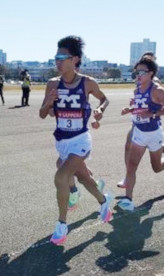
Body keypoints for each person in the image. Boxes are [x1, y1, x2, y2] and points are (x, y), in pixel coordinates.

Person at [39, 35, 112, 245]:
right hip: (62, 142)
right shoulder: (52, 84)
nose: (58, 62)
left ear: (75, 59)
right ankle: (103, 201)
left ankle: (62, 226)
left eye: (63, 57)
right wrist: (48, 104)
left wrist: (99, 109)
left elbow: (105, 99)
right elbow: (44, 114)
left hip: (81, 141)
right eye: (56, 57)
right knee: (83, 178)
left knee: (60, 177)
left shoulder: (88, 83)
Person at [116, 57, 164, 212]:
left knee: (156, 167)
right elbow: (140, 107)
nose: (138, 75)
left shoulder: (157, 90)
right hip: (139, 131)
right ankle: (128, 199)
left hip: (154, 133)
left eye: (142, 72)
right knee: (131, 166)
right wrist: (129, 110)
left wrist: (153, 113)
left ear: (151, 73)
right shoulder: (137, 89)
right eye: (136, 72)